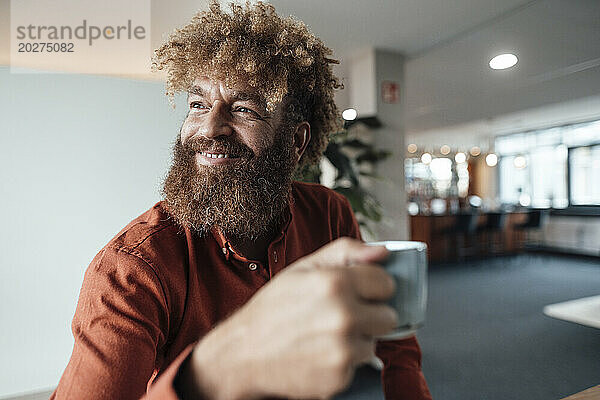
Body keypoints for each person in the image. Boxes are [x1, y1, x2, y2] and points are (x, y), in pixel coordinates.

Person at [51, 2, 432, 399]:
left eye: (244, 108)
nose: (209, 127)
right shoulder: (133, 269)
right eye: (198, 104)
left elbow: (395, 331)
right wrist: (212, 371)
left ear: (296, 141)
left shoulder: (329, 213)